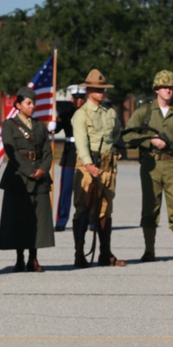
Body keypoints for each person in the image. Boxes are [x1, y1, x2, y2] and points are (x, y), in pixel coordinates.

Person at [124, 70, 173, 263]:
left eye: (171, 87)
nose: (168, 90)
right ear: (156, 89)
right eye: (164, 87)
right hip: (151, 164)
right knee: (150, 208)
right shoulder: (144, 112)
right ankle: (149, 250)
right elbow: (128, 136)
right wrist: (150, 141)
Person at [0, 86, 55, 271]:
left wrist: (42, 169)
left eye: (33, 103)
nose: (32, 106)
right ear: (18, 105)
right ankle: (19, 258)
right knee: (18, 218)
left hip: (39, 177)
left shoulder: (39, 126)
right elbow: (11, 152)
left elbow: (47, 151)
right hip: (19, 178)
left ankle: (33, 258)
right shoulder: (9, 125)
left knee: (38, 218)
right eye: (28, 103)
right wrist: (29, 171)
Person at [71, 69, 126, 267]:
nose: (101, 93)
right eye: (97, 89)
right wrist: (88, 164)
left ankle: (105, 253)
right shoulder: (81, 114)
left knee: (105, 210)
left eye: (103, 89)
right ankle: (79, 253)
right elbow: (81, 142)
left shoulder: (110, 112)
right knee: (83, 209)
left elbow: (117, 135)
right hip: (88, 166)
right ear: (88, 90)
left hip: (108, 165)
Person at [54, 85, 86, 231]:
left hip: (85, 156)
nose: (79, 101)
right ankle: (61, 220)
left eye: (81, 98)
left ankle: (88, 220)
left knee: (86, 190)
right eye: (77, 98)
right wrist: (52, 125)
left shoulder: (88, 114)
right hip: (69, 156)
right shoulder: (66, 114)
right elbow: (56, 130)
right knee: (65, 191)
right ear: (72, 99)